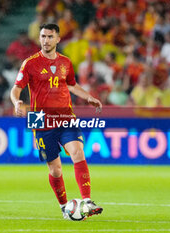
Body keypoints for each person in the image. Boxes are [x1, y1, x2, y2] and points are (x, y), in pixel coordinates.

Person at [10, 23, 103, 220]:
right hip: (40, 119)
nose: (46, 40)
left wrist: (88, 97)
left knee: (78, 152)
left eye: (50, 36)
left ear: (58, 39)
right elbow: (16, 88)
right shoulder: (30, 63)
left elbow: (72, 85)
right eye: (43, 36)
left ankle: (87, 201)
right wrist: (16, 101)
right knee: (56, 168)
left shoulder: (66, 63)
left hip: (65, 116)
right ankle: (64, 206)